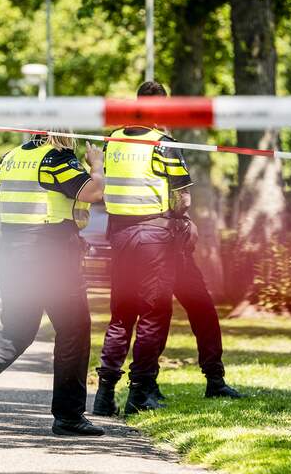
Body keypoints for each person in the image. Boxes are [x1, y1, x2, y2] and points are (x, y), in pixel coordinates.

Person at [0, 132, 105, 436]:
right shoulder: (56, 158)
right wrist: (97, 165)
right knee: (74, 330)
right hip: (52, 255)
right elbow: (93, 193)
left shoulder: (11, 158)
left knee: (16, 331)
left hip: (13, 252)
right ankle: (69, 416)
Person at [93, 81, 194, 416]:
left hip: (119, 236)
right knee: (153, 313)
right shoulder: (163, 144)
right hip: (154, 236)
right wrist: (182, 216)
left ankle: (105, 393)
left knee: (121, 314)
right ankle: (140, 391)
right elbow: (183, 196)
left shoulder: (113, 141)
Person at [170, 216, 242, 399]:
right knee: (203, 314)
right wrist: (186, 221)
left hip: (136, 245)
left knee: (145, 317)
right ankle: (215, 381)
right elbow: (181, 200)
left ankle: (118, 392)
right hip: (172, 249)